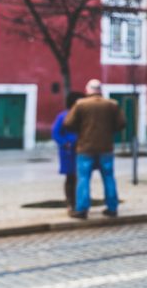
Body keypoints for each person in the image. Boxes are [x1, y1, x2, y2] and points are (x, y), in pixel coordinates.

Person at [63, 78, 126, 219]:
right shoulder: (112, 104)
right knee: (109, 177)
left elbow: (68, 123)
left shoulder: (81, 104)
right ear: (100, 90)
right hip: (106, 147)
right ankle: (112, 208)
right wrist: (109, 131)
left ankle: (82, 209)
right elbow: (121, 123)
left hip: (85, 147)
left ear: (88, 90)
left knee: (83, 178)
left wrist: (81, 130)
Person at [51, 91, 84, 212]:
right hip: (68, 152)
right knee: (70, 178)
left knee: (80, 178)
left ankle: (79, 201)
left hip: (82, 150)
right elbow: (55, 133)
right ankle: (71, 202)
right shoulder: (63, 116)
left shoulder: (82, 116)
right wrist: (66, 143)